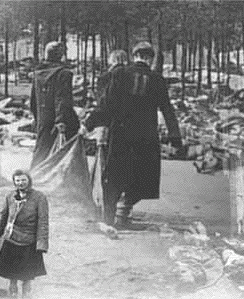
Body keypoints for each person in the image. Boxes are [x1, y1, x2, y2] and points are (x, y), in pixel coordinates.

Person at [85, 42, 183, 229]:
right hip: (146, 137)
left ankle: (109, 218)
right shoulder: (157, 80)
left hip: (120, 134)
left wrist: (88, 124)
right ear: (151, 59)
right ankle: (123, 214)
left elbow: (107, 105)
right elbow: (168, 111)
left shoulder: (119, 74)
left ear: (134, 55)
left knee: (114, 177)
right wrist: (175, 138)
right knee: (141, 178)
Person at [0, 170, 49, 298]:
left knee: (27, 271)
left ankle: (26, 290)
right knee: (12, 269)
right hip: (11, 237)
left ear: (29, 180)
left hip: (29, 239)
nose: (20, 183)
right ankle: (12, 288)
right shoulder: (10, 196)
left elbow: (43, 222)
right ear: (14, 182)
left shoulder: (39, 197)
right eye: (17, 180)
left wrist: (42, 244)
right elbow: (3, 216)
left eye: (23, 180)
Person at [29, 41, 80, 170]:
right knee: (66, 154)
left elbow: (33, 100)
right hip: (61, 119)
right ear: (61, 55)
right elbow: (62, 99)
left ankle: (34, 177)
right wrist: (61, 120)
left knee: (42, 150)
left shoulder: (38, 73)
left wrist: (37, 118)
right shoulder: (64, 73)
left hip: (43, 118)